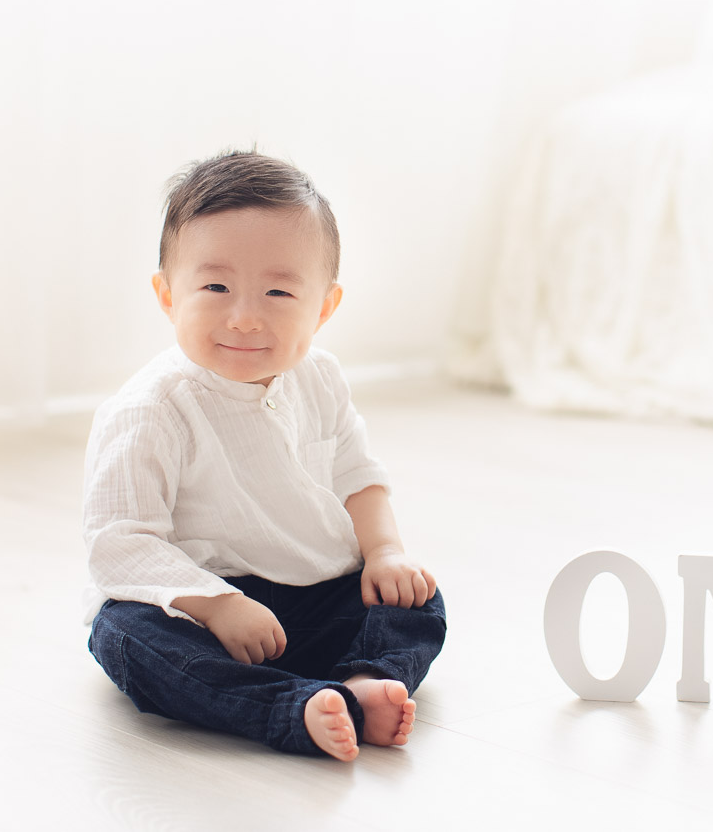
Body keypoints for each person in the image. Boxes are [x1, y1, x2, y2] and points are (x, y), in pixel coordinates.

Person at [81, 149, 445, 761]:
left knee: (415, 597)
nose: (245, 317)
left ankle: (362, 680)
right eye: (215, 286)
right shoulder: (153, 408)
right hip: (206, 609)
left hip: (317, 595)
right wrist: (219, 605)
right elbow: (120, 542)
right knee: (123, 635)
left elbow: (359, 475)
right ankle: (284, 708)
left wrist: (385, 554)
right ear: (168, 295)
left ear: (323, 307)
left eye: (278, 291)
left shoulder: (320, 377)